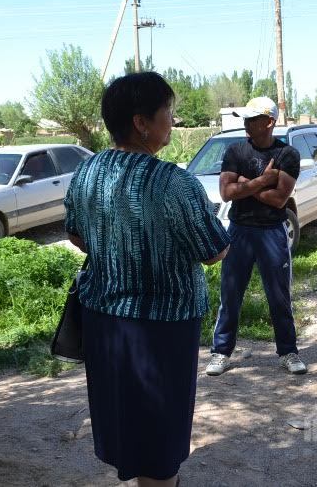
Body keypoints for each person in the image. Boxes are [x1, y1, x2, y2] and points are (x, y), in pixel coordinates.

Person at [64, 72, 230, 487]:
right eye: (168, 113)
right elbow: (213, 250)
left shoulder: (86, 172)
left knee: (123, 417)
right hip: (161, 328)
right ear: (141, 123)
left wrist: (115, 247)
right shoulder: (174, 183)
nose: (173, 121)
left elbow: (75, 234)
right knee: (158, 428)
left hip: (103, 320)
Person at [206, 96, 308, 377]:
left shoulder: (287, 155)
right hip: (239, 230)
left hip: (272, 232)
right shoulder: (235, 151)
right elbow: (226, 193)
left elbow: (279, 199)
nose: (247, 123)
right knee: (230, 294)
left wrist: (244, 184)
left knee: (279, 296)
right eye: (246, 119)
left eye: (252, 119)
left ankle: (288, 352)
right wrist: (263, 181)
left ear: (269, 122)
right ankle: (220, 352)